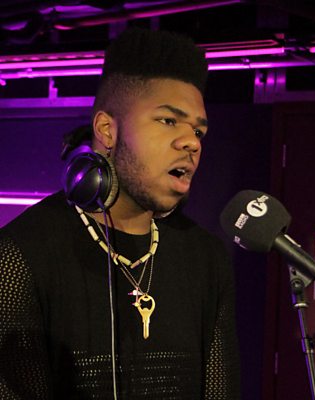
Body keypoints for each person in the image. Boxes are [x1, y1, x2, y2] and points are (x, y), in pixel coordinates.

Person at [0, 26, 240, 399]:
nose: (191, 142)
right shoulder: (20, 256)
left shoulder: (206, 258)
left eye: (199, 132)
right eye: (168, 121)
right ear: (107, 130)